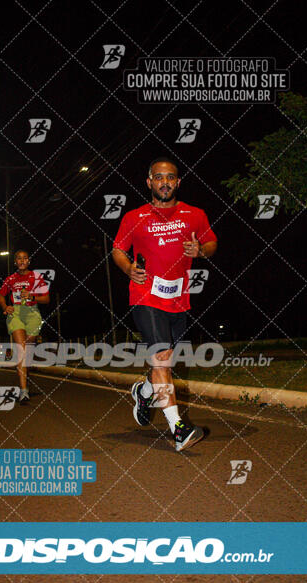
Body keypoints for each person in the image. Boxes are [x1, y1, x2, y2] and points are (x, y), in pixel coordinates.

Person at [112, 157, 218, 451]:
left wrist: (201, 251)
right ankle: (178, 428)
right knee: (162, 359)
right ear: (149, 182)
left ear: (178, 182)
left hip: (178, 298)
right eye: (158, 177)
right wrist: (128, 268)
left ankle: (145, 392)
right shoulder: (134, 217)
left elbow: (211, 243)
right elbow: (118, 249)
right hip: (145, 294)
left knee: (165, 360)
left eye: (170, 177)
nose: (164, 182)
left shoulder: (194, 214)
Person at [0, 250, 49, 404]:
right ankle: (24, 391)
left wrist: (32, 296)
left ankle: (25, 365)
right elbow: (1, 295)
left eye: (24, 258)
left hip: (32, 313)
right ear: (15, 262)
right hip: (16, 313)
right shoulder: (11, 279)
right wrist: (5, 306)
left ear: (29, 261)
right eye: (18, 258)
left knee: (28, 349)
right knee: (21, 350)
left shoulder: (36, 277)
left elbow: (46, 299)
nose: (22, 261)